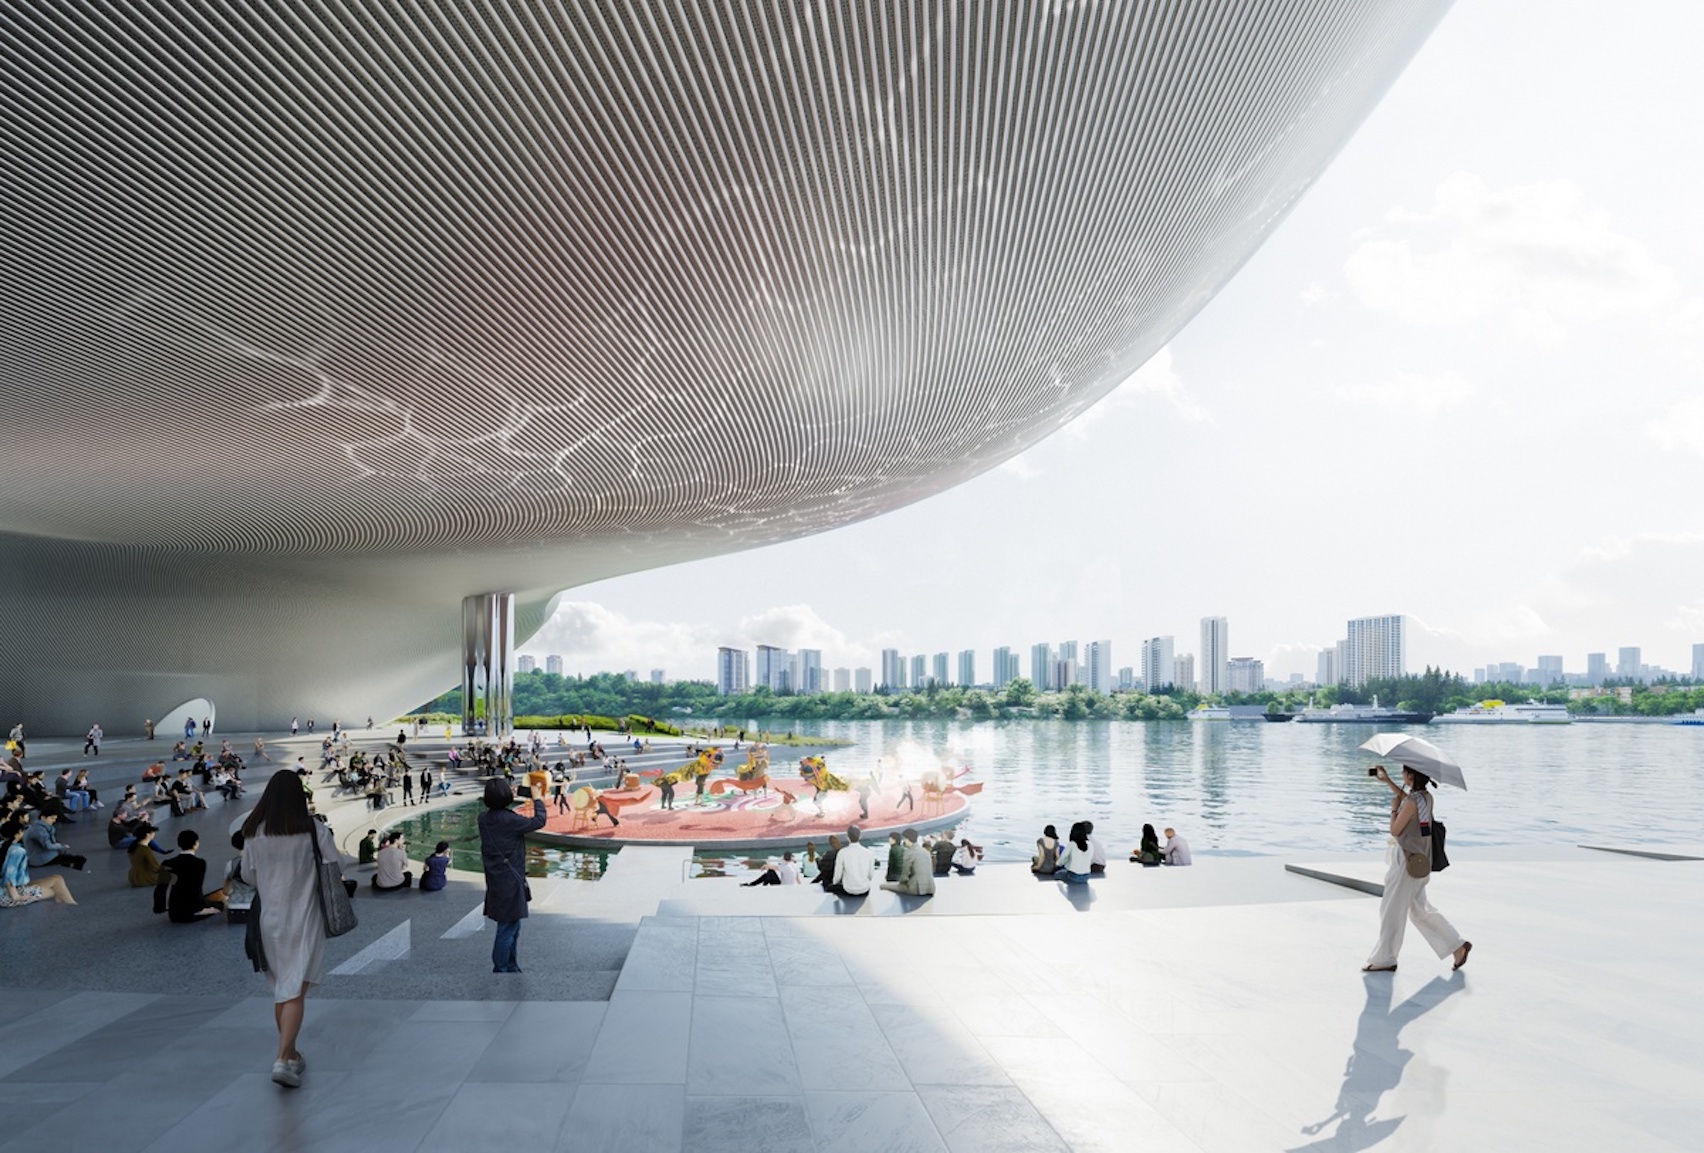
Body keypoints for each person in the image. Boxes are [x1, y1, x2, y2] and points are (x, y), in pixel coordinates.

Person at [242, 768, 341, 1088]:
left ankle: (292, 1054)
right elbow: (333, 864)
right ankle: (283, 1059)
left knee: (283, 989)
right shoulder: (313, 829)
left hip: (270, 918)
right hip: (305, 917)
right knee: (295, 989)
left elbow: (248, 875)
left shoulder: (256, 832)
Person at [1364, 765, 1472, 974]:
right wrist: (1388, 782)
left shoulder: (1412, 801)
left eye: (1404, 773)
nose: (1402, 775)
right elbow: (1409, 803)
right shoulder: (1425, 798)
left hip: (1406, 863)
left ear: (1411, 776)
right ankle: (1457, 946)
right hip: (1420, 863)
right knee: (1421, 910)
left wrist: (1394, 809)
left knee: (1391, 911)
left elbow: (1395, 830)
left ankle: (1385, 958)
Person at [478, 779, 546, 973]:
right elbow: (539, 821)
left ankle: (511, 965)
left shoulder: (483, 819)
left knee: (512, 925)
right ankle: (501, 968)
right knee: (507, 928)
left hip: (496, 879)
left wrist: (504, 796)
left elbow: (498, 813)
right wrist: (537, 799)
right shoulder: (510, 820)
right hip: (511, 880)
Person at [3, 819, 76, 906]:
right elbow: (9, 875)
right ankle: (73, 907)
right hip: (8, 895)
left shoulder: (4, 846)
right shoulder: (18, 851)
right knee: (56, 891)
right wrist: (16, 897)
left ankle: (70, 906)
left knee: (57, 878)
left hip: (15, 887)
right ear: (18, 833)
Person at [155, 830, 223, 922]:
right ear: (196, 844)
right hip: (192, 910)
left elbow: (161, 888)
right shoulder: (200, 863)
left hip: (174, 912)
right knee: (220, 905)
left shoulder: (168, 863)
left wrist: (160, 907)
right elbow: (196, 887)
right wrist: (203, 907)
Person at [879, 828, 936, 896]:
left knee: (883, 886)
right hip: (930, 888)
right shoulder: (925, 851)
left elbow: (904, 874)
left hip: (916, 888)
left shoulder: (909, 852)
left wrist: (901, 883)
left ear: (907, 839)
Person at [832, 825, 875, 896]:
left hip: (848, 889)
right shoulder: (869, 853)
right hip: (865, 889)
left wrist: (834, 883)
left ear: (847, 838)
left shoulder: (842, 852)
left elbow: (837, 876)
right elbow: (871, 876)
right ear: (860, 836)